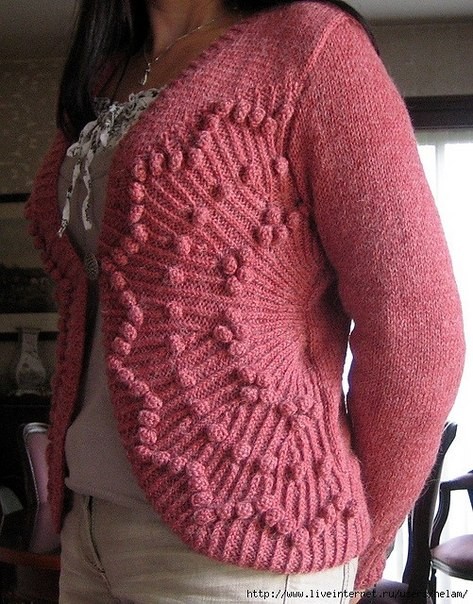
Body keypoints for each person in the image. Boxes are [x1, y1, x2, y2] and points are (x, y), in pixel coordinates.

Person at [26, 0, 465, 602]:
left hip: (249, 550)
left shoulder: (311, 49)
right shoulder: (107, 69)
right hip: (89, 530)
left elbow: (419, 329)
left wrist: (365, 538)